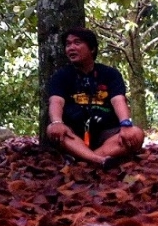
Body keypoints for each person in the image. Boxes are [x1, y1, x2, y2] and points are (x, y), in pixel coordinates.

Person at [46, 27, 144, 170]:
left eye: (77, 43)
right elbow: (56, 101)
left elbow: (118, 100)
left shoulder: (110, 74)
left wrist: (125, 124)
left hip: (107, 134)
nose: (71, 48)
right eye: (68, 44)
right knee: (52, 129)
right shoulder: (61, 76)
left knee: (136, 134)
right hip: (74, 134)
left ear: (92, 49)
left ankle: (83, 160)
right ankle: (99, 161)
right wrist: (56, 122)